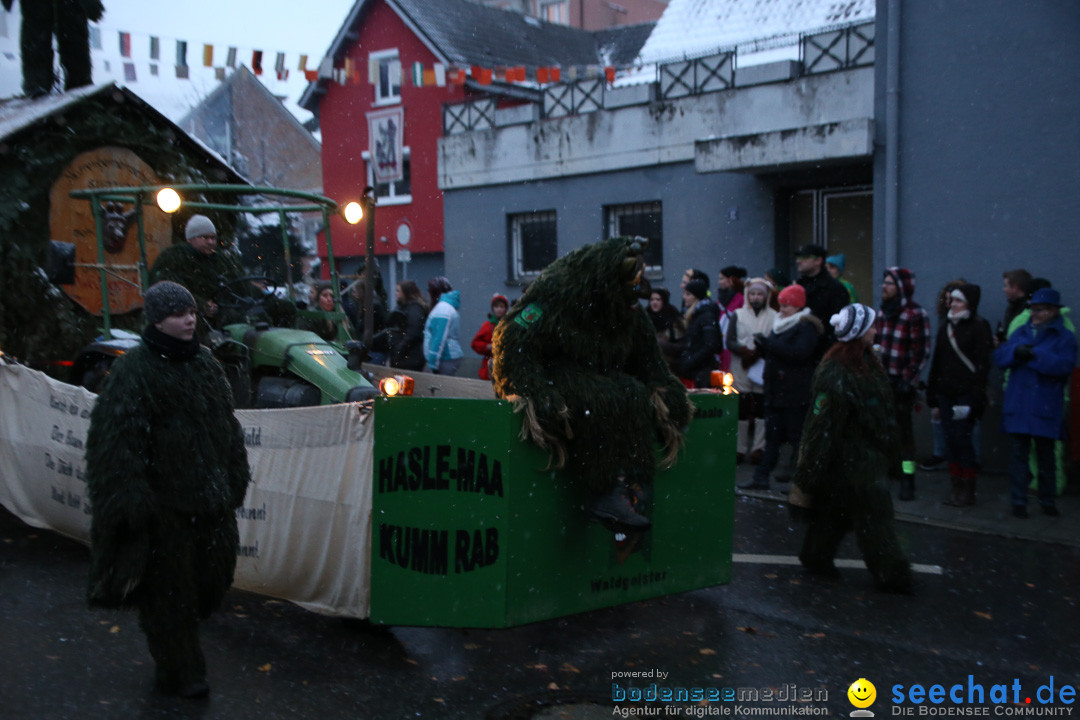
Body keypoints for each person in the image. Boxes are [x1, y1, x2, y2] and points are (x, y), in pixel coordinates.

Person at [85, 281, 251, 698]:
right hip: (166, 509)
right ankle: (183, 669)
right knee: (169, 593)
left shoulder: (206, 366)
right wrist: (132, 501)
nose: (190, 319)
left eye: (192, 311)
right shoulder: (134, 370)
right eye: (179, 314)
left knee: (210, 583)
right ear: (158, 319)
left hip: (210, 502)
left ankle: (172, 653)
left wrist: (234, 476)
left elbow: (226, 426)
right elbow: (116, 440)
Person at [791, 303, 913, 593]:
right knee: (876, 519)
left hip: (862, 461)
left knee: (834, 512)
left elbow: (883, 418)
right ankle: (891, 573)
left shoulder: (867, 363)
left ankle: (815, 556)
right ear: (858, 333)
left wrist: (894, 458)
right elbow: (820, 428)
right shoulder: (836, 373)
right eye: (871, 326)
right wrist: (809, 472)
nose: (876, 330)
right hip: (855, 464)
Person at [995, 287, 1078, 518]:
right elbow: (1000, 358)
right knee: (1019, 458)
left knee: (1046, 458)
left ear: (1053, 311)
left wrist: (1033, 356)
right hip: (1020, 404)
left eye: (1041, 310)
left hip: (1044, 405)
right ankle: (1018, 502)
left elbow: (1064, 366)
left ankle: (1047, 500)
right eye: (1034, 309)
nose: (1036, 314)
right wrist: (1015, 353)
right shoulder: (1021, 332)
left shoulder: (1064, 336)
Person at [739, 284, 822, 490]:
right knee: (772, 437)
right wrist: (764, 346)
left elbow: (799, 354)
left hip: (794, 392)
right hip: (776, 391)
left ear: (798, 307)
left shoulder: (805, 326)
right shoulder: (781, 323)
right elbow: (780, 353)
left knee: (796, 438)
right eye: (782, 305)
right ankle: (761, 477)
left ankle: (798, 481)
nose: (782, 309)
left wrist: (769, 344)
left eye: (787, 305)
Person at [926, 283, 993, 506]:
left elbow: (983, 365)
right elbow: (938, 361)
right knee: (950, 439)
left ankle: (968, 488)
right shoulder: (946, 326)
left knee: (963, 439)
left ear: (969, 304)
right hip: (946, 393)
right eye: (952, 301)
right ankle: (956, 485)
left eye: (958, 301)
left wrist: (974, 398)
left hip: (966, 395)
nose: (952, 305)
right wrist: (933, 394)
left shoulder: (979, 326)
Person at [875, 267, 932, 501]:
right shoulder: (881, 312)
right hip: (881, 382)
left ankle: (908, 480)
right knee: (881, 433)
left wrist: (907, 380)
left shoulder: (915, 314)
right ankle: (888, 475)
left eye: (889, 283)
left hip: (901, 385)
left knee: (904, 435)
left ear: (901, 287)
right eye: (884, 282)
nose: (884, 287)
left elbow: (922, 352)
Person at [149, 215, 244, 341]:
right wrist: (200, 305)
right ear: (191, 239)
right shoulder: (174, 258)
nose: (210, 242)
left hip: (221, 313)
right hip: (194, 316)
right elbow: (169, 292)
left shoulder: (220, 260)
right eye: (205, 237)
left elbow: (238, 285)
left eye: (213, 238)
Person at [919, 278, 969, 472]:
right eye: (948, 299)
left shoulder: (971, 324)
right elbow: (939, 357)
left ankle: (966, 467)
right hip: (945, 382)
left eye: (955, 299)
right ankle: (946, 457)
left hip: (962, 385)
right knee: (942, 419)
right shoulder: (944, 321)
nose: (950, 303)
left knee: (963, 425)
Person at [726, 277, 777, 464]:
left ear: (766, 296)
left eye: (759, 294)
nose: (756, 297)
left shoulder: (774, 316)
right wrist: (744, 351)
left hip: (762, 368)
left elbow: (776, 340)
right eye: (753, 294)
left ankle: (758, 448)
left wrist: (760, 351)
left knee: (761, 410)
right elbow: (730, 340)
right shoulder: (737, 314)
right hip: (741, 368)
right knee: (742, 408)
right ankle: (739, 449)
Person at [794, 244, 850, 348]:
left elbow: (838, 325)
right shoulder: (797, 286)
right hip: (798, 350)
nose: (798, 261)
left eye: (804, 257)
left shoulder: (835, 289)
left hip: (821, 350)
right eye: (798, 257)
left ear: (818, 261)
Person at [675, 277, 720, 388]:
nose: (684, 297)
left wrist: (689, 362)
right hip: (695, 372)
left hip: (701, 373)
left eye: (688, 294)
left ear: (696, 297)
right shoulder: (696, 314)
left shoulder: (706, 315)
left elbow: (710, 345)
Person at [423, 276, 463, 375]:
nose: (427, 293)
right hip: (448, 357)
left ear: (435, 292)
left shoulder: (442, 309)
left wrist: (432, 364)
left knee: (441, 389)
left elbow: (438, 338)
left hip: (444, 358)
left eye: (429, 290)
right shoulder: (447, 307)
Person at [386, 280, 428, 371]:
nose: (395, 293)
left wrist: (400, 349)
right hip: (405, 357)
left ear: (406, 292)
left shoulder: (414, 309)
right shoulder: (404, 307)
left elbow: (414, 332)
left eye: (398, 291)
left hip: (410, 358)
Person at [471, 293, 509, 380]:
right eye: (496, 307)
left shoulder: (509, 325)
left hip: (505, 366)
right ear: (493, 308)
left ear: (506, 309)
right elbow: (475, 343)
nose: (499, 309)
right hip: (489, 367)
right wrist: (487, 347)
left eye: (501, 306)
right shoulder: (487, 325)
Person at [716, 265, 747, 372]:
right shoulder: (721, 299)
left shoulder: (741, 299)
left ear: (730, 280)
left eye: (722, 278)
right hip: (721, 347)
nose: (719, 282)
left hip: (731, 346)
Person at [646, 287, 686, 369]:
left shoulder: (672, 317)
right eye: (652, 300)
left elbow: (682, 346)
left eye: (658, 300)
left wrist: (665, 345)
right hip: (649, 365)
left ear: (663, 301)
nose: (654, 302)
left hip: (669, 365)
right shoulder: (646, 317)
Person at [999, 268, 1032, 343]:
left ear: (1015, 288)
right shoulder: (1012, 307)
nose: (1003, 289)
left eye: (1005, 286)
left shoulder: (1028, 310)